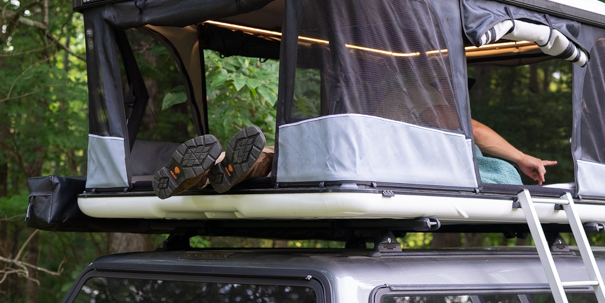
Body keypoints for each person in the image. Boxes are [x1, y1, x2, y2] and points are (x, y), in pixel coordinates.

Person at [154, 121, 555, 199]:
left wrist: (521, 157)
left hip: (380, 162)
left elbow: (474, 128)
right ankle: (216, 172)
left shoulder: (482, 160)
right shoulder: (496, 181)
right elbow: (475, 130)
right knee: (293, 160)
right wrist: (521, 159)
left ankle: (211, 171)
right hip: (389, 171)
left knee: (288, 156)